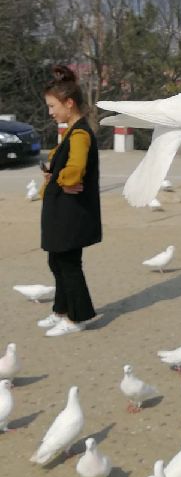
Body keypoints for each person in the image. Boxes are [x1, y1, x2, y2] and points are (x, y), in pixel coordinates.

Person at [38, 64, 101, 336]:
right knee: (57, 261)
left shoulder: (80, 134)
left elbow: (75, 170)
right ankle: (61, 310)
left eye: (53, 106)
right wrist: (54, 174)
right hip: (62, 211)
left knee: (68, 264)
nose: (51, 112)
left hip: (71, 213)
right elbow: (61, 164)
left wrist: (60, 178)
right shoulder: (72, 131)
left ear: (69, 103)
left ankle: (79, 317)